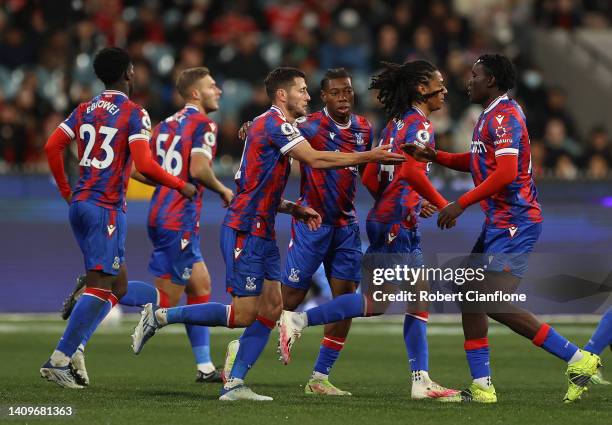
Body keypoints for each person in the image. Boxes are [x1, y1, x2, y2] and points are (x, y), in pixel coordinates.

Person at [130, 67, 405, 401]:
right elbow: (315, 160)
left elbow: (257, 184)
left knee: (273, 308)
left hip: (263, 227)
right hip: (244, 229)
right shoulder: (273, 123)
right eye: (302, 90)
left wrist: (293, 208)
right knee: (243, 314)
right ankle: (160, 316)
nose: (307, 96)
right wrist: (369, 156)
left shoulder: (272, 125)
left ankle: (235, 384)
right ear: (282, 95)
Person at [403, 54, 602, 403]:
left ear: (491, 80)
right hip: (499, 221)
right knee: (468, 292)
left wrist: (459, 204)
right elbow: (478, 161)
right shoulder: (489, 116)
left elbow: (507, 172)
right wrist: (434, 156)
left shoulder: (505, 116)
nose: (468, 81)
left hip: (517, 221)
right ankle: (482, 385)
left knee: (492, 299)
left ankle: (578, 359)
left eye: (475, 75)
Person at [279, 60, 458, 400]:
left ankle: (420, 380)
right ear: (422, 88)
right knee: (379, 303)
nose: (445, 90)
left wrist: (403, 200)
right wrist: (442, 202)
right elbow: (412, 173)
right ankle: (299, 321)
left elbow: (374, 175)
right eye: (440, 83)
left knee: (412, 299)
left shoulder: (393, 124)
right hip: (395, 223)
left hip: (389, 216)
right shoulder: (419, 126)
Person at [41, 47, 196, 389]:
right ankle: (59, 359)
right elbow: (145, 164)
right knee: (102, 284)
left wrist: (68, 191)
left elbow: (53, 146)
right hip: (106, 207)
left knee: (119, 285)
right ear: (128, 73)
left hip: (81, 204)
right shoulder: (133, 113)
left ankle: (78, 337)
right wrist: (179, 184)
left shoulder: (84, 109)